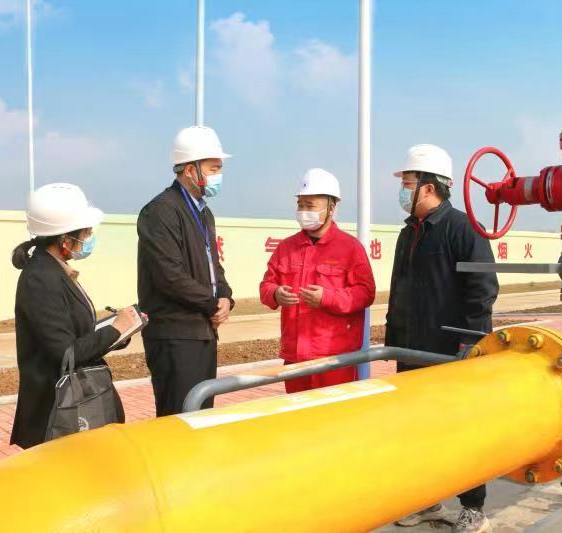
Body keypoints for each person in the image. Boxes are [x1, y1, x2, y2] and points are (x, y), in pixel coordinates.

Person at [387, 145, 499, 533]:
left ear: (429, 187)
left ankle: (474, 508)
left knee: (462, 429)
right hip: (411, 350)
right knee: (418, 429)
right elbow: (399, 291)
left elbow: (483, 289)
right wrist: (393, 341)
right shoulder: (409, 234)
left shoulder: (462, 228)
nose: (403, 191)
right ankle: (427, 499)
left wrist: (469, 345)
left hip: (452, 353)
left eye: (408, 183)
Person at [10, 183, 139, 449]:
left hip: (70, 405)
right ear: (65, 240)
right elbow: (65, 352)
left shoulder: (56, 271)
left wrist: (119, 331)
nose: (90, 237)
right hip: (54, 415)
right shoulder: (40, 279)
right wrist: (114, 330)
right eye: (86, 232)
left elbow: (77, 334)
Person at [137, 126, 234, 416]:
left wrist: (226, 297)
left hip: (203, 331)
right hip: (175, 335)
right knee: (178, 418)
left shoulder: (204, 212)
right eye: (214, 168)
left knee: (201, 415)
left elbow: (213, 265)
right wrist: (211, 303)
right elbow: (169, 275)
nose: (219, 175)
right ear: (191, 170)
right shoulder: (161, 211)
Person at [259, 168, 375, 392]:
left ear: (331, 208)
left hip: (334, 358)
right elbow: (266, 285)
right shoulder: (286, 248)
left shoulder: (350, 248)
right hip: (295, 357)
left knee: (335, 412)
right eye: (300, 204)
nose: (303, 211)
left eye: (310, 205)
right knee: (299, 412)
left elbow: (365, 293)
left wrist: (327, 298)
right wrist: (275, 293)